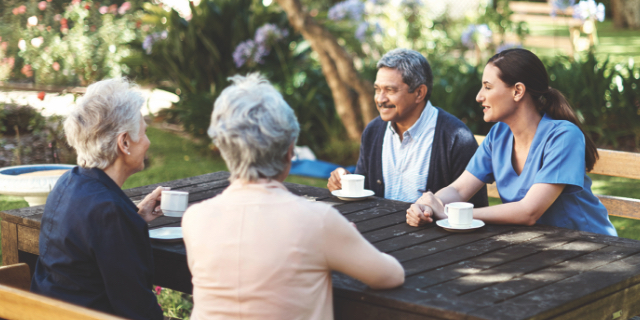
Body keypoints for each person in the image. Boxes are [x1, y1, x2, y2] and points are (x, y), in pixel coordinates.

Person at [182, 73, 405, 320]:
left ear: (224, 148)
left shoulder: (195, 218)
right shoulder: (318, 221)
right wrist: (341, 239)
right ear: (290, 151)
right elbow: (390, 276)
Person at [406, 48, 617, 236]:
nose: (479, 96)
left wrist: (452, 215)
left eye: (488, 87)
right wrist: (429, 206)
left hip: (592, 247)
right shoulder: (499, 135)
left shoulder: (563, 137)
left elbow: (529, 212)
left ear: (517, 91)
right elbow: (460, 190)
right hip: (540, 246)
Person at [31, 78, 166, 319]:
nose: (148, 142)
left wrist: (135, 219)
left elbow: (91, 250)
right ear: (124, 142)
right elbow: (137, 308)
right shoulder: (109, 212)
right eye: (144, 133)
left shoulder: (69, 182)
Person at [327, 48, 488, 207]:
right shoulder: (373, 131)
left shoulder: (456, 137)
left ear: (419, 93)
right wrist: (344, 181)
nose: (380, 99)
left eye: (390, 90)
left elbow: (473, 211)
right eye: (377, 90)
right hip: (376, 230)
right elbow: (363, 194)